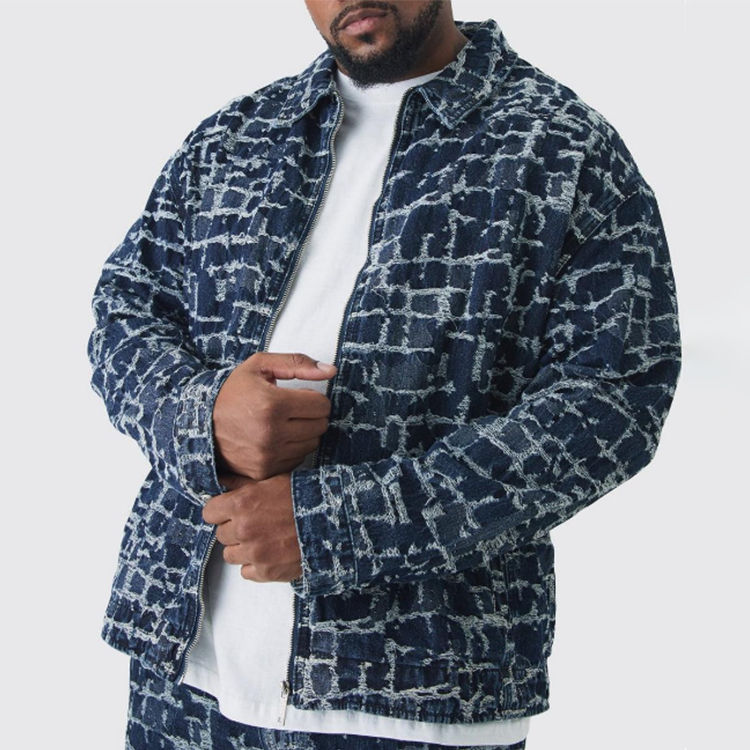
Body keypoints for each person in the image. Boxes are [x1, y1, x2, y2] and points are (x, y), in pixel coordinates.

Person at [86, 1, 682, 748]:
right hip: (182, 672)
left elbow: (615, 400)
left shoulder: (561, 147)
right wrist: (200, 416)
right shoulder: (237, 136)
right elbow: (125, 312)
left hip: (418, 692)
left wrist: (345, 525)